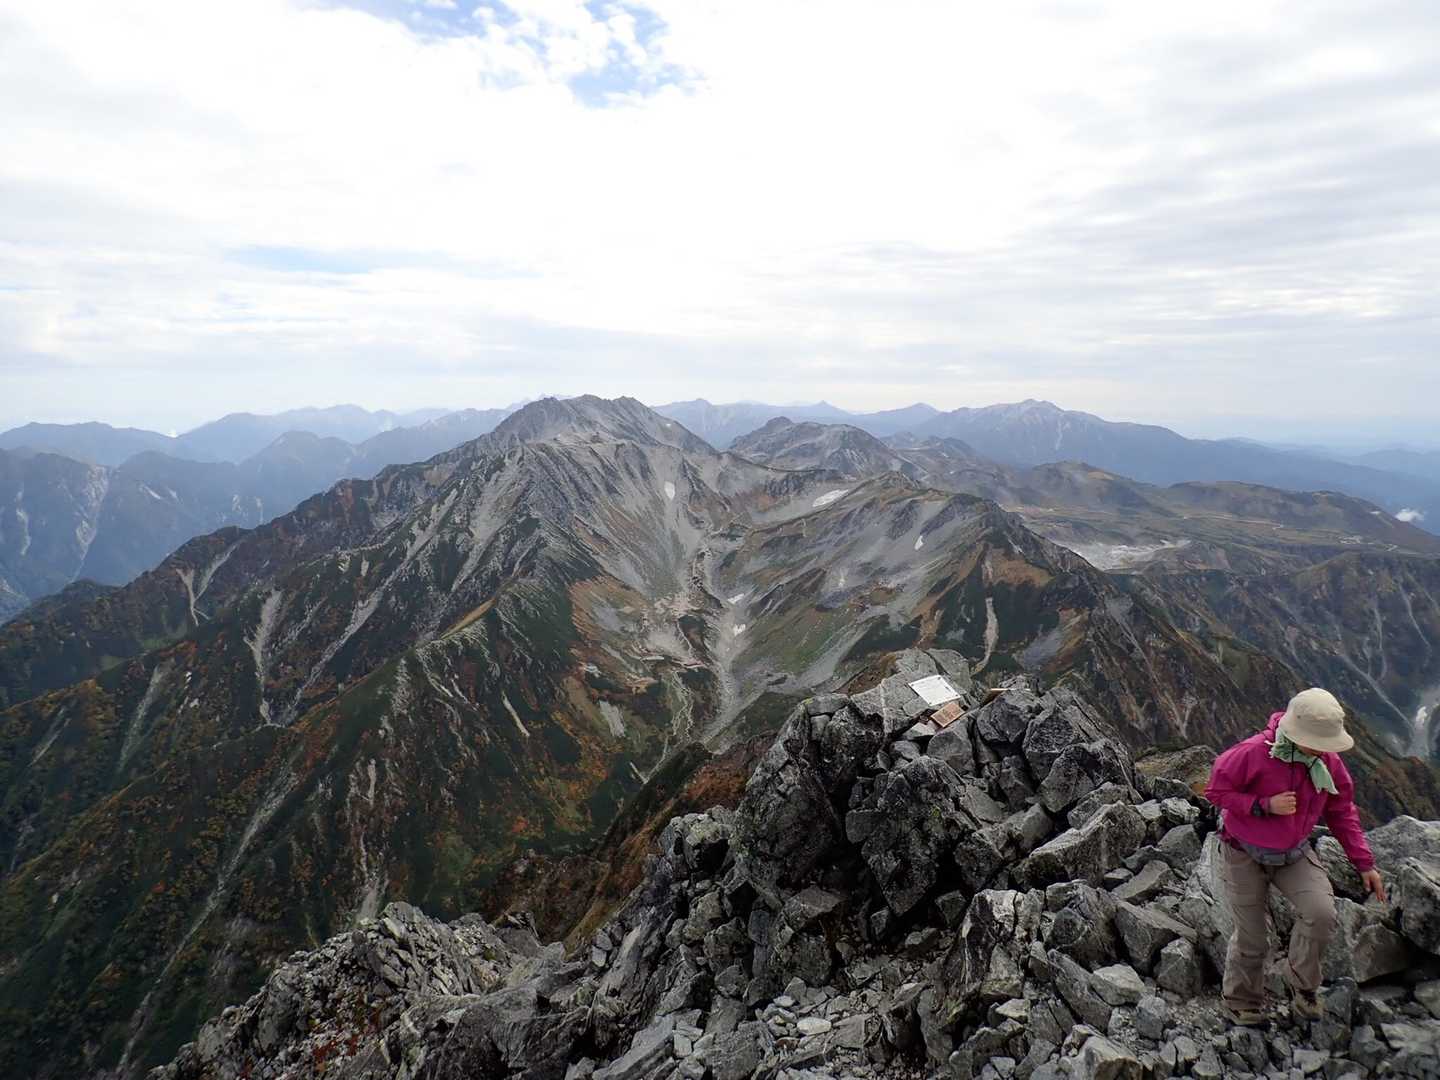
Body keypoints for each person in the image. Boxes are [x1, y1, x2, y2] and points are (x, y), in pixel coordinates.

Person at [1204, 688, 1385, 1026]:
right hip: (1243, 851)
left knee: (1321, 913)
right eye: (1317, 742)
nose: (1323, 749)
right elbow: (1215, 791)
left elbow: (1341, 812)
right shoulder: (1252, 753)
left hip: (1293, 852)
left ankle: (1301, 984)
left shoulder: (1326, 763)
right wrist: (1263, 805)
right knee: (1253, 936)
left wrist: (1365, 863)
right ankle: (1241, 1001)